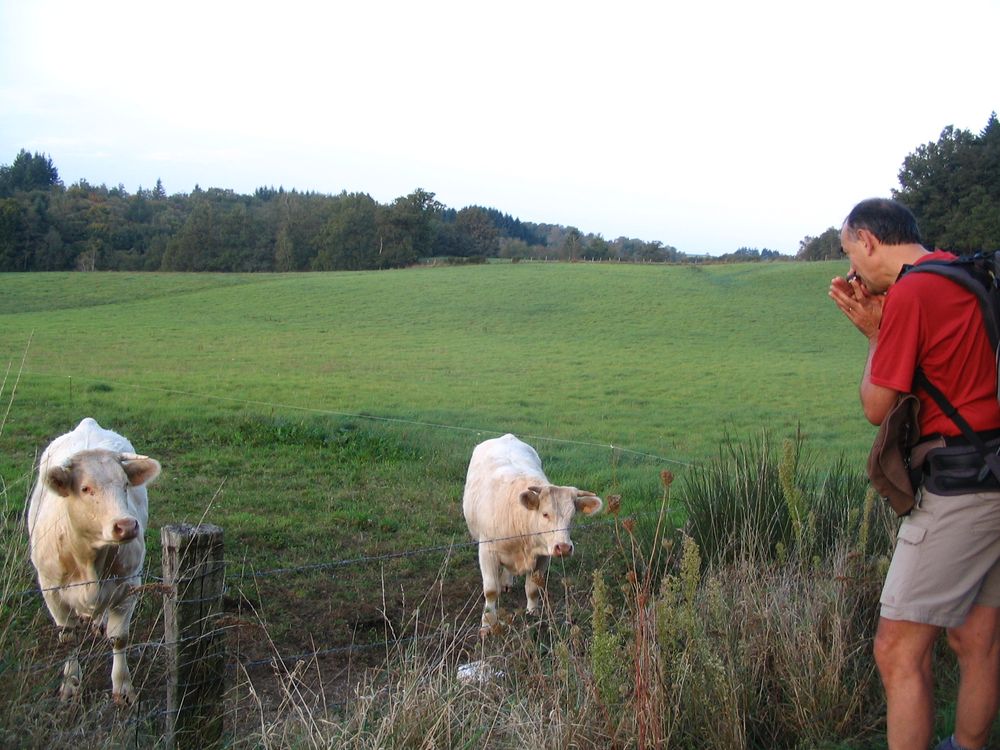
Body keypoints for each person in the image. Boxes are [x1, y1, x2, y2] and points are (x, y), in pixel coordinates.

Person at [830, 197, 1000, 750]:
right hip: (994, 471)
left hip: (960, 490)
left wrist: (876, 336)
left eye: (850, 254)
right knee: (977, 639)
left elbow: (877, 407)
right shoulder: (964, 273)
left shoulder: (912, 292)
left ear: (867, 240)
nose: (853, 270)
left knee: (897, 649)